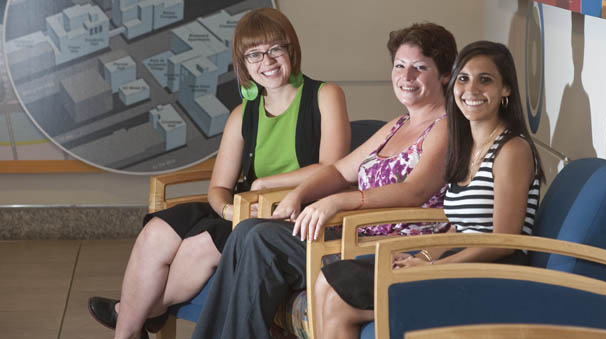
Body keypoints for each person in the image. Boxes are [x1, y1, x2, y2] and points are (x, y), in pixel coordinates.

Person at [87, 8, 350, 339]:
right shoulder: (242, 114)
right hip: (242, 210)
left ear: (291, 49)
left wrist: (265, 184)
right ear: (243, 64)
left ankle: (134, 312)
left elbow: (332, 168)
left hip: (293, 214)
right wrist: (228, 209)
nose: (266, 61)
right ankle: (126, 332)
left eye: (274, 49)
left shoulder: (325, 95)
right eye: (254, 54)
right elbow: (219, 187)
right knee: (156, 231)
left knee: (199, 245)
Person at [190, 22, 458, 338]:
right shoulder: (397, 125)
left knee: (262, 240)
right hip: (355, 233)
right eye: (400, 65)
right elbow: (339, 171)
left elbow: (414, 191)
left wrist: (338, 200)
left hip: (387, 247)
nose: (406, 76)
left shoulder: (446, 127)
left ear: (444, 75)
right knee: (247, 231)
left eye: (419, 67)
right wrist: (299, 195)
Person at [313, 40, 545, 338]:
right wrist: (423, 257)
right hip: (460, 262)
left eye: (485, 80)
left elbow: (503, 242)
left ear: (506, 90)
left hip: (493, 274)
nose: (471, 89)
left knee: (338, 301)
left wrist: (435, 267)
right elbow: (458, 228)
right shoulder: (467, 148)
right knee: (327, 280)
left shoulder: (512, 149)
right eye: (463, 78)